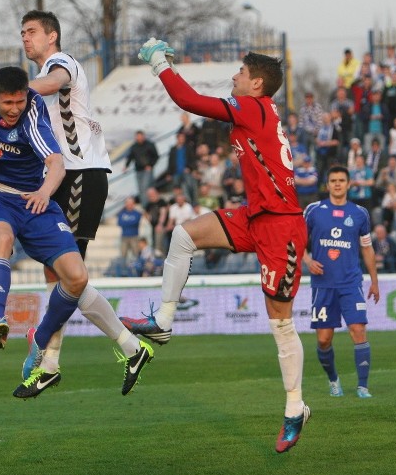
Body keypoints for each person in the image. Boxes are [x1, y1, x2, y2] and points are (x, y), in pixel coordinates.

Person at [0, 9, 152, 398]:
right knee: (62, 277)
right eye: (22, 32)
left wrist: (18, 88)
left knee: (71, 277)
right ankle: (102, 352)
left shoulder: (57, 64)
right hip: (49, 179)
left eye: (32, 32)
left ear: (52, 36)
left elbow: (46, 89)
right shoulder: (15, 103)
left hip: (76, 173)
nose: (25, 38)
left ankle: (52, 358)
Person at [122, 41, 310, 453]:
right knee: (184, 234)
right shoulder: (257, 110)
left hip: (281, 227)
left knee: (280, 323)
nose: (234, 78)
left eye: (240, 74)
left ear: (256, 84)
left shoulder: (254, 108)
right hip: (256, 216)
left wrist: (159, 64)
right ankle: (164, 321)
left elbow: (189, 100)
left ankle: (295, 408)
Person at [303, 165, 380, 399]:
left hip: (351, 283)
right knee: (324, 340)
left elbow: (367, 248)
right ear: (328, 185)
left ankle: (362, 387)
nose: (337, 184)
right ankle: (334, 380)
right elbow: (295, 240)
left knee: (358, 330)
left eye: (341, 180)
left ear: (349, 184)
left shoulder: (359, 214)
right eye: (333, 180)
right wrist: (307, 260)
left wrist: (374, 281)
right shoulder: (313, 211)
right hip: (323, 285)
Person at [124, 130, 159, 206]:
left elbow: (156, 156)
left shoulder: (150, 144)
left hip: (147, 170)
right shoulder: (134, 146)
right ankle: (145, 206)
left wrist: (151, 165)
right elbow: (130, 157)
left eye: (140, 136)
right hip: (138, 170)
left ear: (143, 136)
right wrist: (126, 166)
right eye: (137, 136)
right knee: (141, 189)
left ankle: (148, 205)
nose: (139, 138)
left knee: (145, 187)